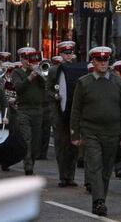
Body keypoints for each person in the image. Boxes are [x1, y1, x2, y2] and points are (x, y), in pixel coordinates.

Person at [70, 46, 121, 217]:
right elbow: (76, 110)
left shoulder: (118, 82)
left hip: (112, 131)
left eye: (106, 60)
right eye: (99, 60)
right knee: (95, 165)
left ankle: (101, 197)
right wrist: (75, 134)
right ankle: (99, 201)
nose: (103, 63)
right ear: (93, 62)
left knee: (106, 169)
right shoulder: (84, 82)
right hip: (91, 131)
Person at [46, 41, 83, 187]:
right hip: (59, 112)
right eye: (65, 53)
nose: (68, 56)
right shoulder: (54, 70)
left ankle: (71, 176)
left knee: (74, 144)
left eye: (70, 53)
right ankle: (63, 176)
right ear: (61, 54)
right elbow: (47, 89)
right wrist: (55, 96)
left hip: (73, 113)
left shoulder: (77, 69)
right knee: (61, 145)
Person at [12, 47, 46, 176]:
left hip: (38, 109)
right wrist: (30, 77)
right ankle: (28, 167)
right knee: (27, 139)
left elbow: (46, 86)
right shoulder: (17, 72)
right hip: (24, 110)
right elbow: (19, 88)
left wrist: (39, 73)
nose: (28, 61)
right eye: (25, 58)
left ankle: (31, 162)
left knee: (36, 142)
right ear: (21, 59)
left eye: (30, 58)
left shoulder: (40, 72)